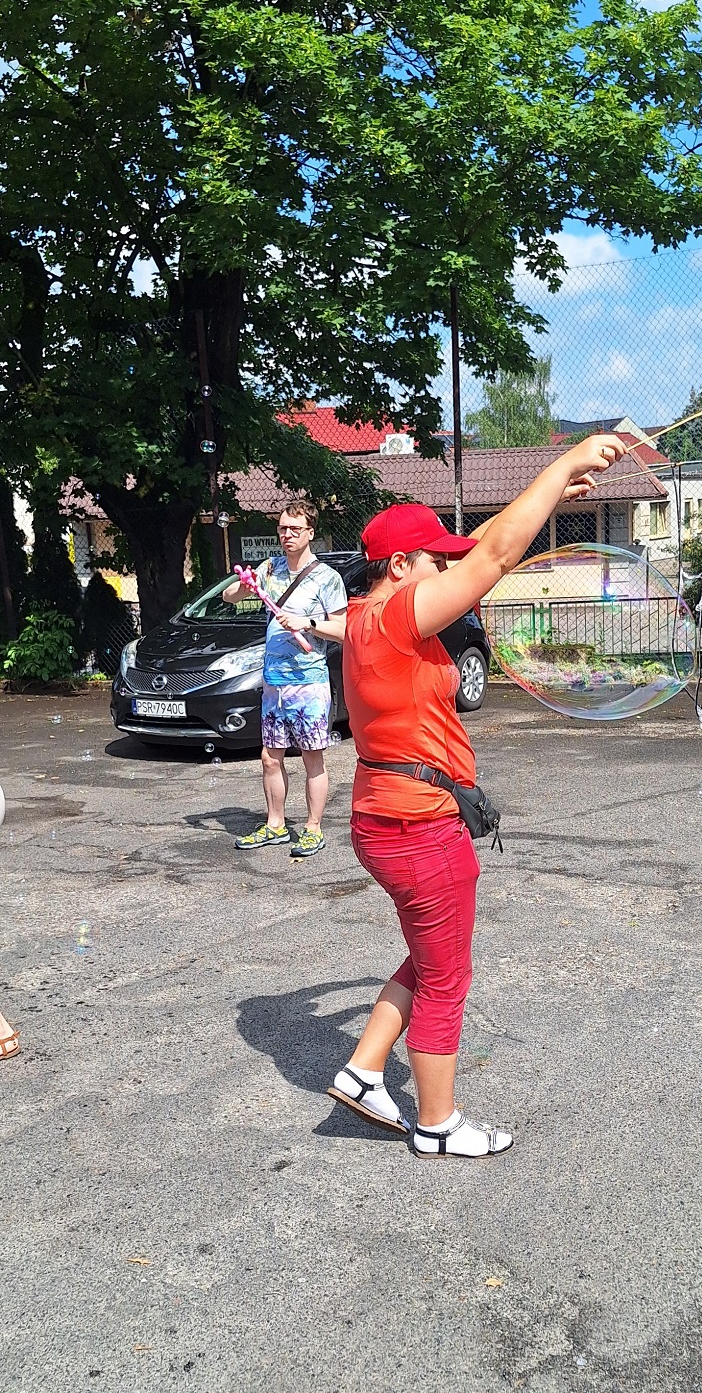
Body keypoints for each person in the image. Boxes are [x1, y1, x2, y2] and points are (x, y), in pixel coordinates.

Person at [329, 432, 626, 1158]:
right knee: (447, 978)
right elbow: (492, 557)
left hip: (385, 817)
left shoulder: (367, 617)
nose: (447, 571)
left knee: (428, 956)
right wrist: (563, 462)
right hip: (418, 828)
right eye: (434, 561)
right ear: (400, 566)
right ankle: (438, 1124)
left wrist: (547, 495)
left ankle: (364, 1070)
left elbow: (484, 545)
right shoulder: (397, 619)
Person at [226, 501, 348, 860]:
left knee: (312, 757)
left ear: (310, 532)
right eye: (282, 528)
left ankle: (312, 828)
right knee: (269, 757)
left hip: (309, 682)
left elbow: (343, 630)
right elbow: (229, 597)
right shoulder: (270, 568)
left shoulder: (326, 578)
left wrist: (307, 623)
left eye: (295, 529)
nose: (287, 535)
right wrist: (244, 586)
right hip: (273, 683)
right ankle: (276, 825)